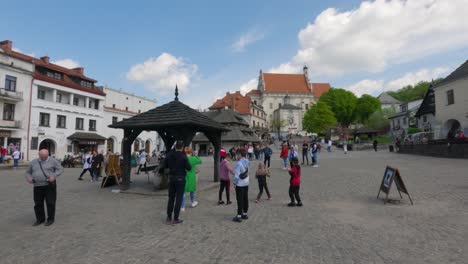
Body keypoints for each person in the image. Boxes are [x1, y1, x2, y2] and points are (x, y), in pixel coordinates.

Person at [25, 149, 63, 226]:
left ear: (48, 155)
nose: (43, 158)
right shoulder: (33, 162)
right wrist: (29, 178)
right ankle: (40, 219)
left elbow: (60, 169)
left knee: (50, 202)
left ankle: (50, 219)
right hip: (37, 186)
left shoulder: (53, 161)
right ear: (39, 155)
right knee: (38, 203)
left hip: (49, 185)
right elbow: (28, 172)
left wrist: (54, 176)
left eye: (45, 157)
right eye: (41, 157)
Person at [164, 141, 191, 224]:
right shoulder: (183, 156)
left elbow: (165, 165)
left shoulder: (169, 155)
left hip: (171, 178)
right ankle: (176, 218)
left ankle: (169, 216)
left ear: (175, 147)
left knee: (171, 198)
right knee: (179, 198)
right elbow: (189, 168)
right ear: (182, 147)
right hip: (180, 178)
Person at [181, 147, 201, 211]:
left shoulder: (183, 158)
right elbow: (200, 161)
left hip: (184, 176)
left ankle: (182, 206)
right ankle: (192, 202)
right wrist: (195, 155)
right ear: (191, 152)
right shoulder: (193, 158)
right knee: (192, 190)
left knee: (183, 192)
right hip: (192, 177)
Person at [232, 148, 250, 223]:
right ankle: (245, 213)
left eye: (237, 154)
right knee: (245, 198)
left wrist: (235, 183)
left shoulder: (239, 163)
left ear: (240, 154)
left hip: (240, 184)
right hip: (246, 183)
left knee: (239, 200)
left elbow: (236, 175)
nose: (237, 156)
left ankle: (239, 215)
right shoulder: (248, 161)